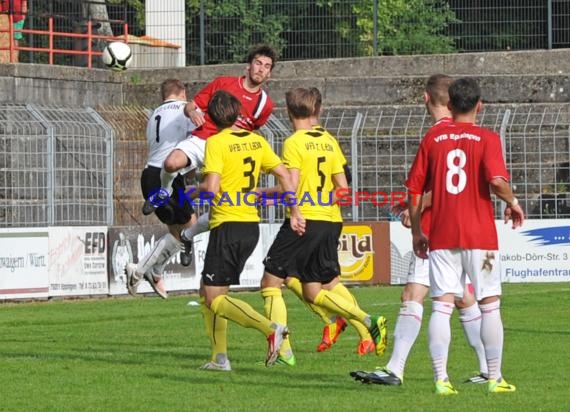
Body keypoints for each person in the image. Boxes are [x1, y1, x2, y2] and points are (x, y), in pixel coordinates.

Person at [350, 74, 488, 386]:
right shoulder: (469, 133)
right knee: (463, 298)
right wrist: (411, 206)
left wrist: (417, 211)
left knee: (413, 294)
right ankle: (487, 369)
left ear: (427, 99)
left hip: (437, 230)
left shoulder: (438, 135)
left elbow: (438, 188)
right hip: (464, 228)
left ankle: (395, 369)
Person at [405, 77, 524, 395]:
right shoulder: (487, 137)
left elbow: (414, 189)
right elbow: (497, 182)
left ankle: (441, 379)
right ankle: (494, 378)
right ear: (479, 105)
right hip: (480, 237)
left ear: (451, 105)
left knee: (442, 305)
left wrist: (418, 231)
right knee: (489, 304)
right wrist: (512, 202)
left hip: (442, 233)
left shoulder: (433, 138)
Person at [261, 87, 388, 367]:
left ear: (288, 112)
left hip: (304, 220)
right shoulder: (329, 141)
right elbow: (344, 190)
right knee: (317, 288)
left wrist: (262, 194)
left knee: (271, 281)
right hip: (331, 221)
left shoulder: (294, 142)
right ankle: (368, 323)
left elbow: (291, 186)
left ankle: (283, 351)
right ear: (316, 111)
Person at [195, 90, 304, 371]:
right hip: (249, 227)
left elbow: (212, 190)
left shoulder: (216, 143)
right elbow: (284, 175)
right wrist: (295, 211)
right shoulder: (257, 141)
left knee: (214, 298)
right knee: (208, 292)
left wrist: (191, 190)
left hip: (227, 225)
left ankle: (270, 328)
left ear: (209, 117)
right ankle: (219, 358)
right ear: (238, 113)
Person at [142, 43, 276, 230]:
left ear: (269, 74)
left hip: (229, 148)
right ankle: (164, 192)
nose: (261, 69)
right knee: (171, 163)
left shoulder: (265, 104)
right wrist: (193, 113)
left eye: (266, 66)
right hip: (204, 139)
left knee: (219, 200)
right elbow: (190, 106)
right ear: (248, 65)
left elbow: (251, 132)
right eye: (258, 63)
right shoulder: (223, 83)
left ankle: (189, 236)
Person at [125, 79, 198, 299]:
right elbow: (193, 139)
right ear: (183, 93)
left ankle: (155, 271)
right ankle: (138, 270)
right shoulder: (184, 111)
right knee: (190, 225)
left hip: (149, 175)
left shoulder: (154, 114)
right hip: (167, 175)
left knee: (176, 232)